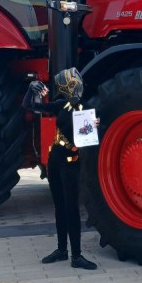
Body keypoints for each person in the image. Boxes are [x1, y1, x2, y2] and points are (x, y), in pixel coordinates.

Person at [23, 67, 98, 270]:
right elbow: (29, 105)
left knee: (72, 207)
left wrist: (95, 125)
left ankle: (77, 255)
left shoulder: (86, 108)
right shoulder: (60, 105)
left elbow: (90, 140)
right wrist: (31, 89)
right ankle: (61, 250)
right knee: (59, 206)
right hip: (55, 159)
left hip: (71, 161)